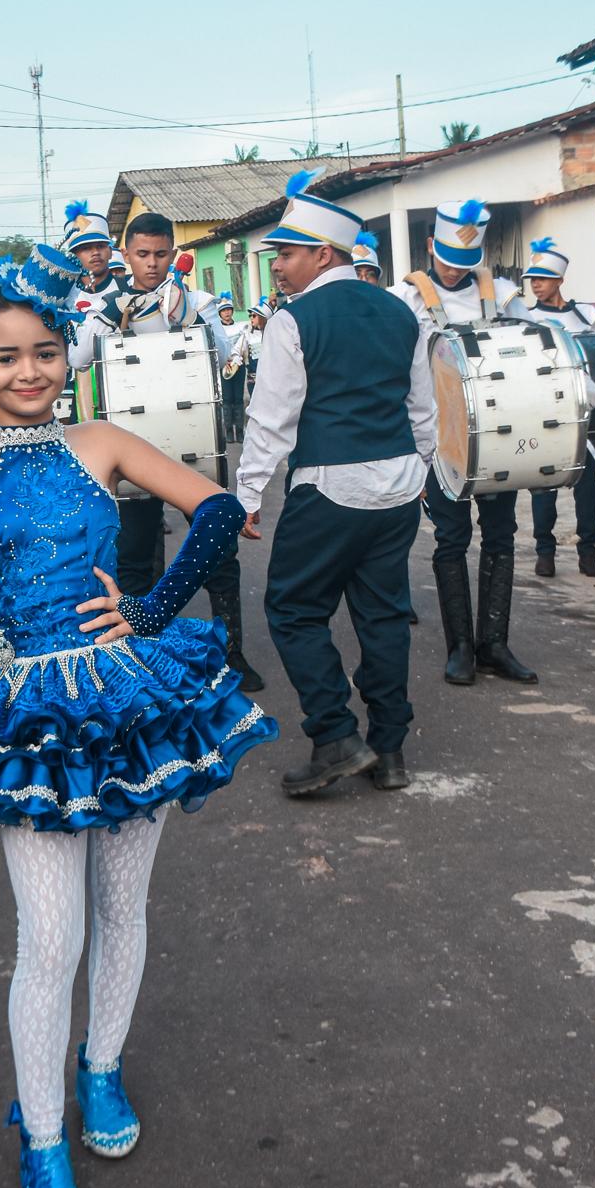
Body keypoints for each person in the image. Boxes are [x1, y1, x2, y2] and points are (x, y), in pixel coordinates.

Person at [0, 239, 274, 1188]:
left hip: (127, 696)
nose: (29, 372)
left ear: (70, 353)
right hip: (29, 716)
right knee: (50, 937)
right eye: (7, 356)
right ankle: (41, 1134)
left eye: (46, 351)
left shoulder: (105, 441)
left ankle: (101, 1069)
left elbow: (220, 510)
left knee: (124, 905)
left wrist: (147, 609)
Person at [239, 174, 435, 795]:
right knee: (382, 616)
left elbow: (271, 420)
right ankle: (391, 750)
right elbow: (423, 408)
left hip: (328, 487)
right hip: (400, 485)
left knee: (293, 610)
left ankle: (335, 736)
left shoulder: (292, 321)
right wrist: (421, 470)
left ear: (324, 253)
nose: (278, 267)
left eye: (287, 255)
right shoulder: (402, 312)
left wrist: (245, 497)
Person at [69, 211, 263, 691]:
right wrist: (110, 317)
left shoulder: (193, 300)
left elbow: (224, 357)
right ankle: (142, 654)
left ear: (171, 253)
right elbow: (76, 357)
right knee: (136, 555)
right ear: (126, 255)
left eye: (160, 255)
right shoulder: (105, 305)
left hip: (194, 444)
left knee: (218, 552)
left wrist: (191, 317)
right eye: (142, 255)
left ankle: (231, 652)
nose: (152, 265)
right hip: (132, 451)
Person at [390, 199, 537, 687]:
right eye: (448, 259)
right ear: (431, 244)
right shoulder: (404, 302)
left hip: (495, 437)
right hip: (438, 443)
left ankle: (494, 643)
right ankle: (460, 647)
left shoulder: (506, 296)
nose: (455, 271)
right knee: (451, 540)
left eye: (465, 263)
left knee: (500, 535)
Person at [521, 237, 595, 579]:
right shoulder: (526, 318)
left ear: (559, 280)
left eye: (542, 278)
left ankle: (588, 551)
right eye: (533, 279)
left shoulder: (587, 315)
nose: (536, 284)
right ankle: (545, 552)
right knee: (544, 486)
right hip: (545, 413)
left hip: (582, 415)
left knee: (588, 487)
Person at [216, 292, 247, 442]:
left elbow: (244, 345)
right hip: (224, 367)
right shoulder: (217, 330)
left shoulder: (241, 327)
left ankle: (240, 431)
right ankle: (228, 430)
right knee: (227, 398)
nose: (227, 313)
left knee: (238, 398)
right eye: (223, 311)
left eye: (229, 310)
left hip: (238, 366)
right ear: (219, 313)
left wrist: (237, 358)